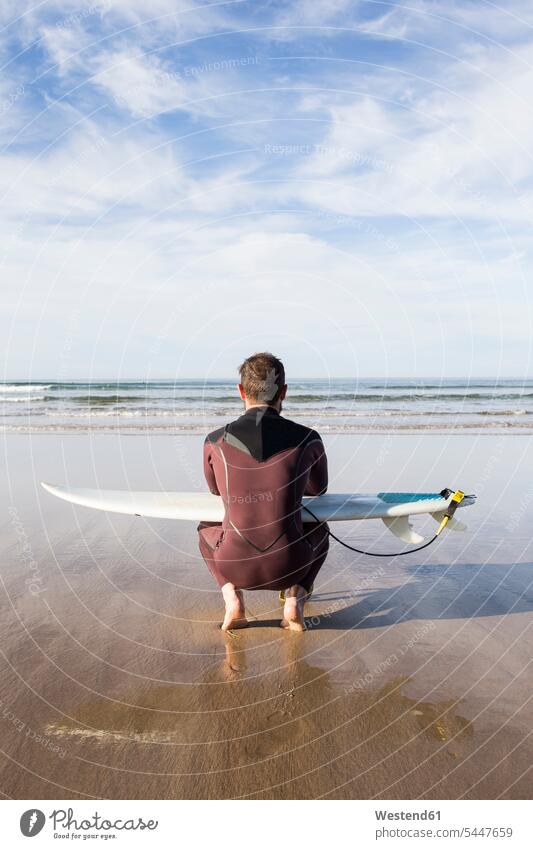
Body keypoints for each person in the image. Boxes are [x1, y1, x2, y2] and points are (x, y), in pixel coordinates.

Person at [198, 352, 329, 631]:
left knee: (205, 527)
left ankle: (232, 598)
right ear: (283, 392)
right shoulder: (309, 438)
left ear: (241, 391)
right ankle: (295, 599)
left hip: (234, 565)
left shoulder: (214, 441)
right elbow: (319, 489)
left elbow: (214, 490)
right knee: (321, 528)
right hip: (291, 565)